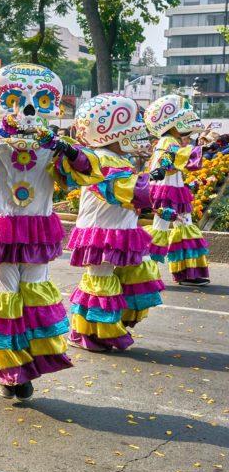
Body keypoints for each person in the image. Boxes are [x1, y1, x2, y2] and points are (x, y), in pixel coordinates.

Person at [0, 64, 102, 401]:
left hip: (39, 231)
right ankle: (9, 372)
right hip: (1, 229)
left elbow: (88, 168)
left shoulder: (53, 147)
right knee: (4, 300)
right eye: (16, 99)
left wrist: (62, 146)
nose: (27, 110)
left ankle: (29, 363)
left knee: (34, 298)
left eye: (40, 100)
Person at [66, 94, 165, 352]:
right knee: (100, 280)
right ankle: (88, 332)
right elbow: (117, 189)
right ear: (111, 133)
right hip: (101, 231)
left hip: (122, 229)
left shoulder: (121, 158)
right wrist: (150, 178)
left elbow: (130, 194)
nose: (132, 137)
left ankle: (109, 324)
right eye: (127, 132)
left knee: (135, 273)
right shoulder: (97, 157)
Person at [144, 95, 211, 286]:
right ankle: (145, 274)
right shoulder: (167, 141)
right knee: (161, 230)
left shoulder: (170, 140)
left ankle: (188, 272)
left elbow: (178, 161)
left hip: (175, 190)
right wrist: (203, 148)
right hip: (166, 191)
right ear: (172, 123)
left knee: (184, 227)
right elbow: (170, 162)